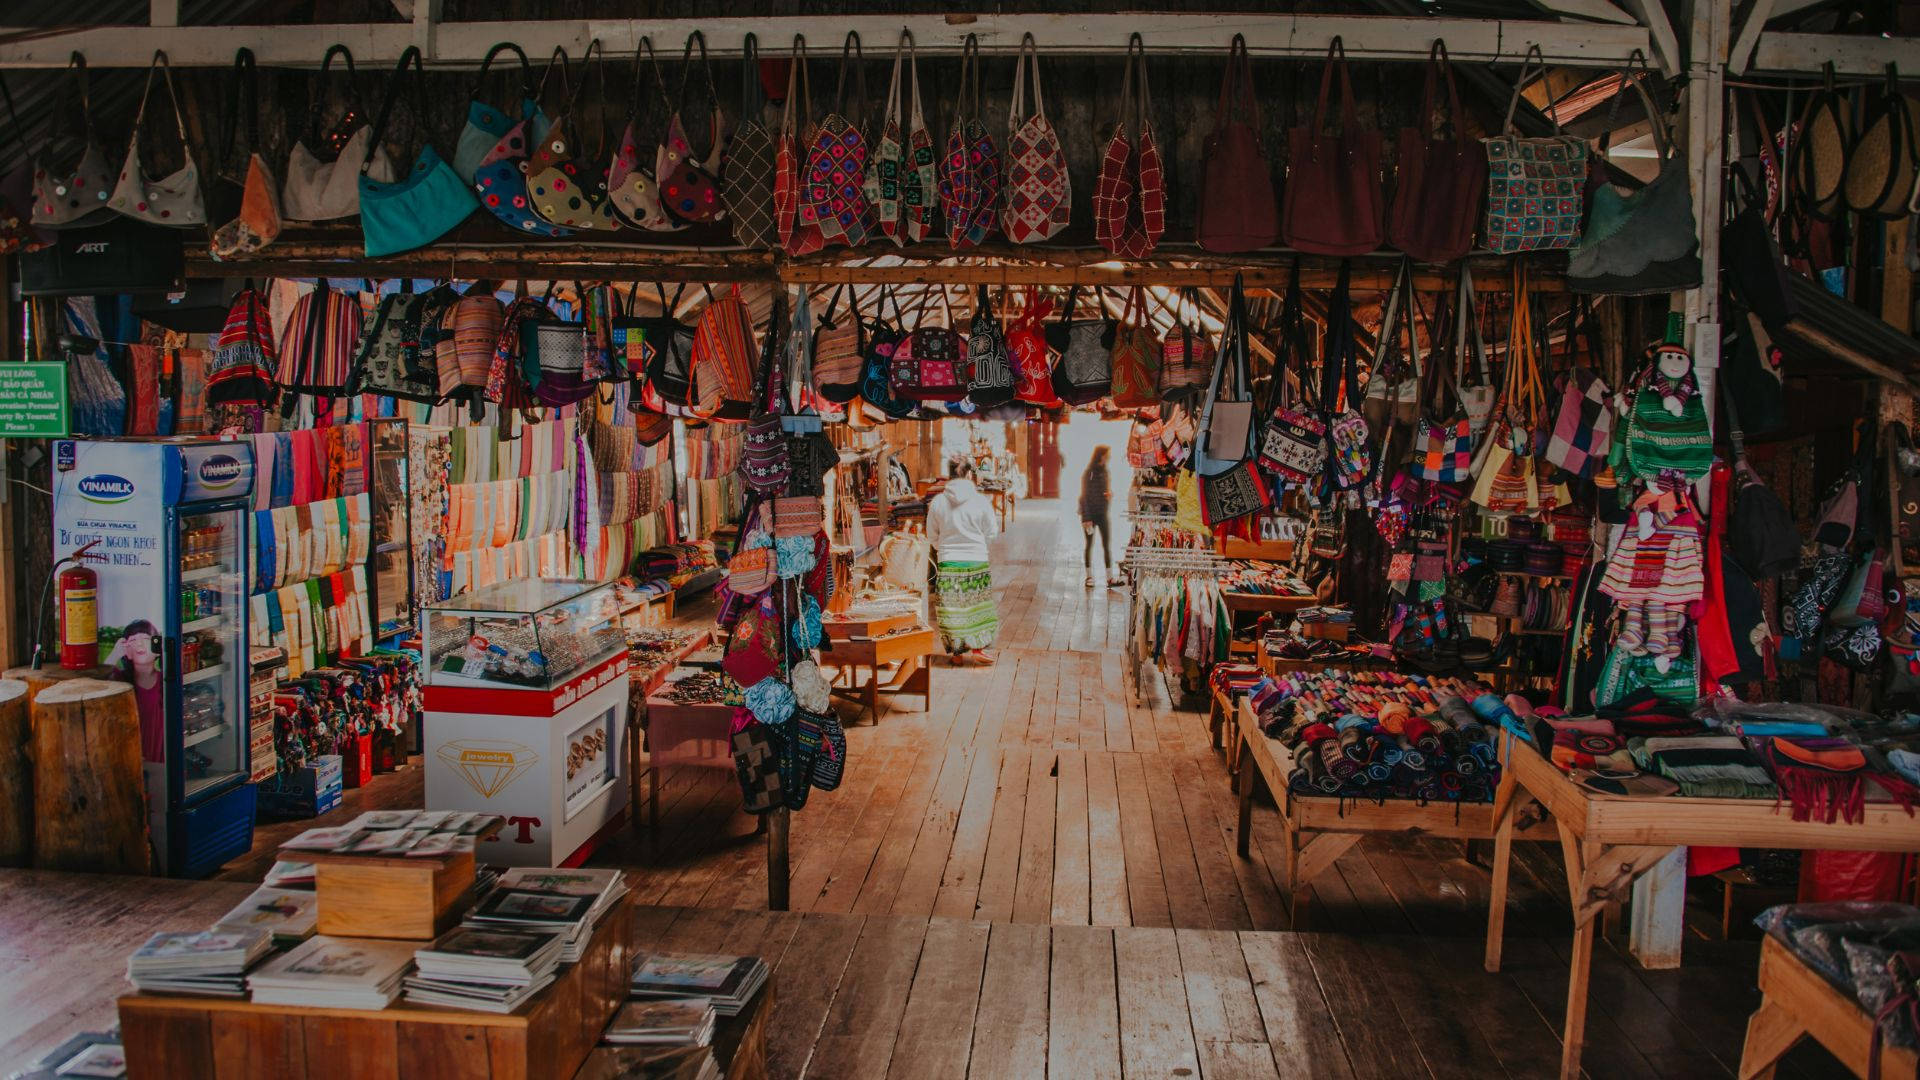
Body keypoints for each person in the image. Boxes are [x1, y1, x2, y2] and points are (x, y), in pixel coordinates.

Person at [925, 463, 1000, 665]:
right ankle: (977, 648)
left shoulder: (938, 502)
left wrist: (943, 549)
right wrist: (977, 544)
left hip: (949, 560)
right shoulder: (981, 501)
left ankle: (956, 655)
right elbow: (992, 531)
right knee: (976, 606)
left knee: (951, 608)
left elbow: (931, 535)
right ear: (969, 474)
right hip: (976, 559)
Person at [107, 619, 165, 764]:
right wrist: (115, 654)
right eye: (133, 640)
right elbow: (98, 682)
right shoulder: (118, 679)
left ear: (157, 649)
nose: (139, 644)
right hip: (129, 759)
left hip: (161, 762)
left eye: (145, 639)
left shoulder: (166, 680)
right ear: (126, 651)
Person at [1079, 445, 1118, 588]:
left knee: (1107, 545)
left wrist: (1109, 495)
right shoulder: (1089, 473)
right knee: (1089, 545)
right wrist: (1086, 518)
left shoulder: (1106, 472)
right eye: (1108, 454)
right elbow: (1083, 497)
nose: (1109, 457)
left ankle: (1109, 578)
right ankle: (1089, 577)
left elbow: (1105, 490)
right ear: (1101, 455)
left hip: (1103, 514)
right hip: (1090, 515)